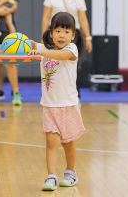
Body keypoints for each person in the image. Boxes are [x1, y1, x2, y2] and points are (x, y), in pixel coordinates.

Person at [28, 12, 86, 191]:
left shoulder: (72, 50)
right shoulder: (43, 47)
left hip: (68, 105)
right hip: (49, 106)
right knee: (51, 143)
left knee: (68, 143)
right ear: (51, 32)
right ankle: (51, 176)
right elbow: (28, 43)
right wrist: (16, 41)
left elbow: (60, 56)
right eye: (58, 30)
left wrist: (39, 51)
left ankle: (70, 172)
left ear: (73, 35)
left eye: (66, 31)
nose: (62, 35)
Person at [42, 0, 93, 99]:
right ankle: (55, 96)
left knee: (72, 67)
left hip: (72, 37)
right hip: (56, 37)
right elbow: (45, 18)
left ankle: (74, 97)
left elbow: (83, 19)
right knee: (56, 65)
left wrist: (88, 37)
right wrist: (44, 38)